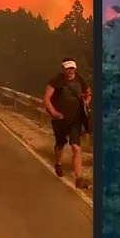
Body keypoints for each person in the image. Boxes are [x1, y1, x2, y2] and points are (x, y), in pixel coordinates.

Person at [44, 58, 90, 189]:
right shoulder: (56, 82)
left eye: (72, 68)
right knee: (60, 144)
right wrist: (54, 112)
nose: (70, 71)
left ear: (75, 69)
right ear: (63, 69)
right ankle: (58, 163)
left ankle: (79, 179)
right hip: (60, 119)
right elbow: (47, 99)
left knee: (76, 147)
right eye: (68, 69)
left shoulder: (80, 80)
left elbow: (88, 92)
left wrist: (87, 101)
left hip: (75, 119)